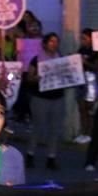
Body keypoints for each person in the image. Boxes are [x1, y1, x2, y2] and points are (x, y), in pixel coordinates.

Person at [25, 32, 65, 170]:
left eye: (56, 41)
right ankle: (30, 154)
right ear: (45, 43)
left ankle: (51, 157)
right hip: (40, 98)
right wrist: (37, 77)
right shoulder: (36, 60)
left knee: (55, 129)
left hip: (57, 98)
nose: (54, 44)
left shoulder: (61, 60)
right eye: (51, 41)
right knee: (37, 127)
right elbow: (29, 78)